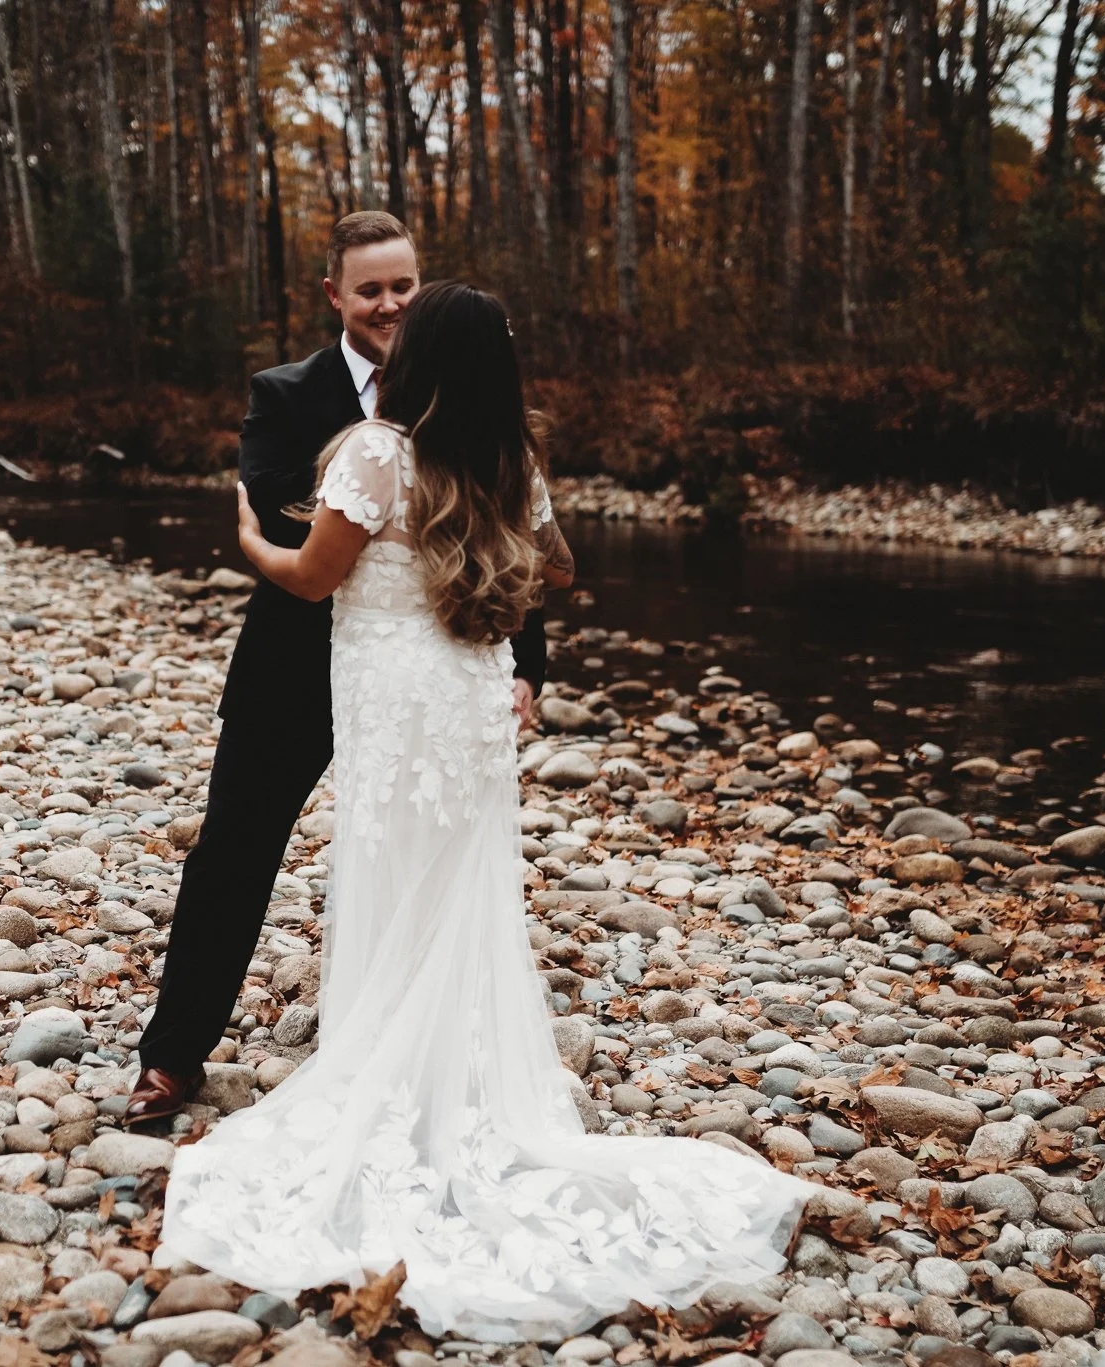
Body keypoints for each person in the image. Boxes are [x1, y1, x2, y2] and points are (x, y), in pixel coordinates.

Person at [156, 282, 812, 1341]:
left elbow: (315, 577)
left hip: (396, 698)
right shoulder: (506, 458)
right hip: (465, 695)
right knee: (454, 889)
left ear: (414, 359)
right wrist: (478, 580)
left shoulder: (376, 451)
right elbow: (557, 564)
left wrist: (247, 539)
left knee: (389, 876)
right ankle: (450, 1089)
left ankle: (390, 1095)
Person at [126, 213, 546, 1128]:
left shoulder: (464, 393)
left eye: (404, 286)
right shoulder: (286, 392)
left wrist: (528, 668)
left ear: (420, 288)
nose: (390, 302)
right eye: (371, 289)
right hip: (296, 669)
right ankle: (171, 1054)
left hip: (425, 676)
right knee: (233, 850)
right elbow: (291, 526)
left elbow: (508, 538)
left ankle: (417, 1058)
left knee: (420, 864)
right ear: (336, 295)